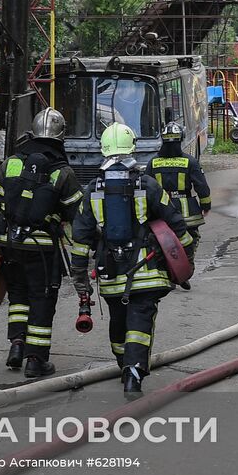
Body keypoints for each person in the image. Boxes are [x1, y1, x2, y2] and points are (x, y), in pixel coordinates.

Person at [70, 122, 193, 396]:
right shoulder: (147, 185)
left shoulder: (92, 191)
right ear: (131, 148)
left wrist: (81, 282)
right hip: (146, 271)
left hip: (111, 274)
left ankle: (123, 364)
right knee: (140, 320)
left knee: (118, 320)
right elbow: (176, 225)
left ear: (103, 150)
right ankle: (133, 373)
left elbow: (80, 240)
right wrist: (186, 262)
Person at [0, 107, 83, 378]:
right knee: (42, 299)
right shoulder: (63, 173)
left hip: (10, 244)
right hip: (43, 249)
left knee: (17, 295)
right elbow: (78, 216)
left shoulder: (10, 164)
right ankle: (36, 360)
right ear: (61, 136)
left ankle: (16, 345)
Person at [146, 121, 211, 260]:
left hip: (160, 213)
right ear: (180, 138)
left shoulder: (152, 163)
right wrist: (206, 205)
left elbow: (146, 188)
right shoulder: (190, 162)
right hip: (187, 215)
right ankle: (186, 265)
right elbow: (202, 187)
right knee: (190, 241)